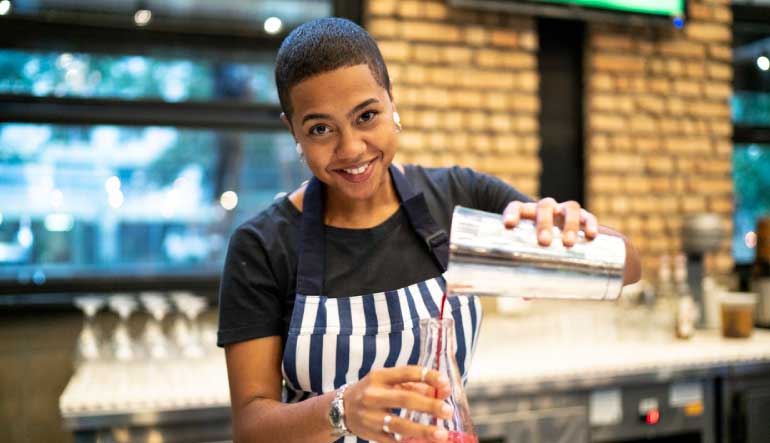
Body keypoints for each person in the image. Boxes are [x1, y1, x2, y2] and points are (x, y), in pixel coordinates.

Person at [218, 17, 640, 443]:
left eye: (366, 116)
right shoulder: (263, 245)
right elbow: (251, 427)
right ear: (293, 130)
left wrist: (574, 231)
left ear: (391, 102)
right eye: (320, 129)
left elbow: (628, 267)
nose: (351, 149)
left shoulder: (459, 200)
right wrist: (342, 410)